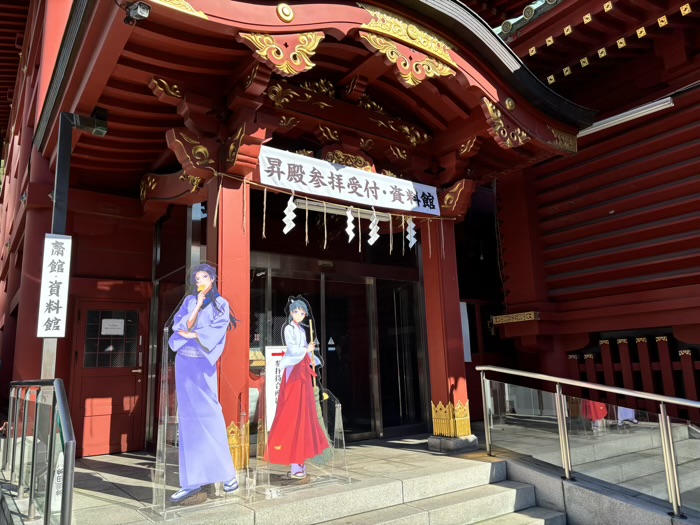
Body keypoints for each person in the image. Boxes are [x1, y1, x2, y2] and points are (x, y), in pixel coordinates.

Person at [168, 264, 239, 503]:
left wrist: (197, 334)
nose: (200, 280)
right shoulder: (189, 301)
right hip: (184, 363)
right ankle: (191, 481)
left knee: (211, 416)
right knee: (187, 420)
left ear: (213, 278)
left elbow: (215, 332)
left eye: (204, 277)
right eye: (197, 277)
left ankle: (227, 473)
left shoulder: (222, 304)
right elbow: (181, 326)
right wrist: (197, 305)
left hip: (203, 364)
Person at [267, 298, 330, 479]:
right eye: (296, 312)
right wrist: (305, 348)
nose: (299, 315)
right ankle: (295, 463)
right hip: (294, 371)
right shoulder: (288, 328)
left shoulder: (302, 329)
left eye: (302, 313)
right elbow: (293, 349)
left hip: (302, 370)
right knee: (293, 413)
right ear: (291, 312)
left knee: (303, 413)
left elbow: (302, 351)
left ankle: (300, 461)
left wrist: (310, 353)